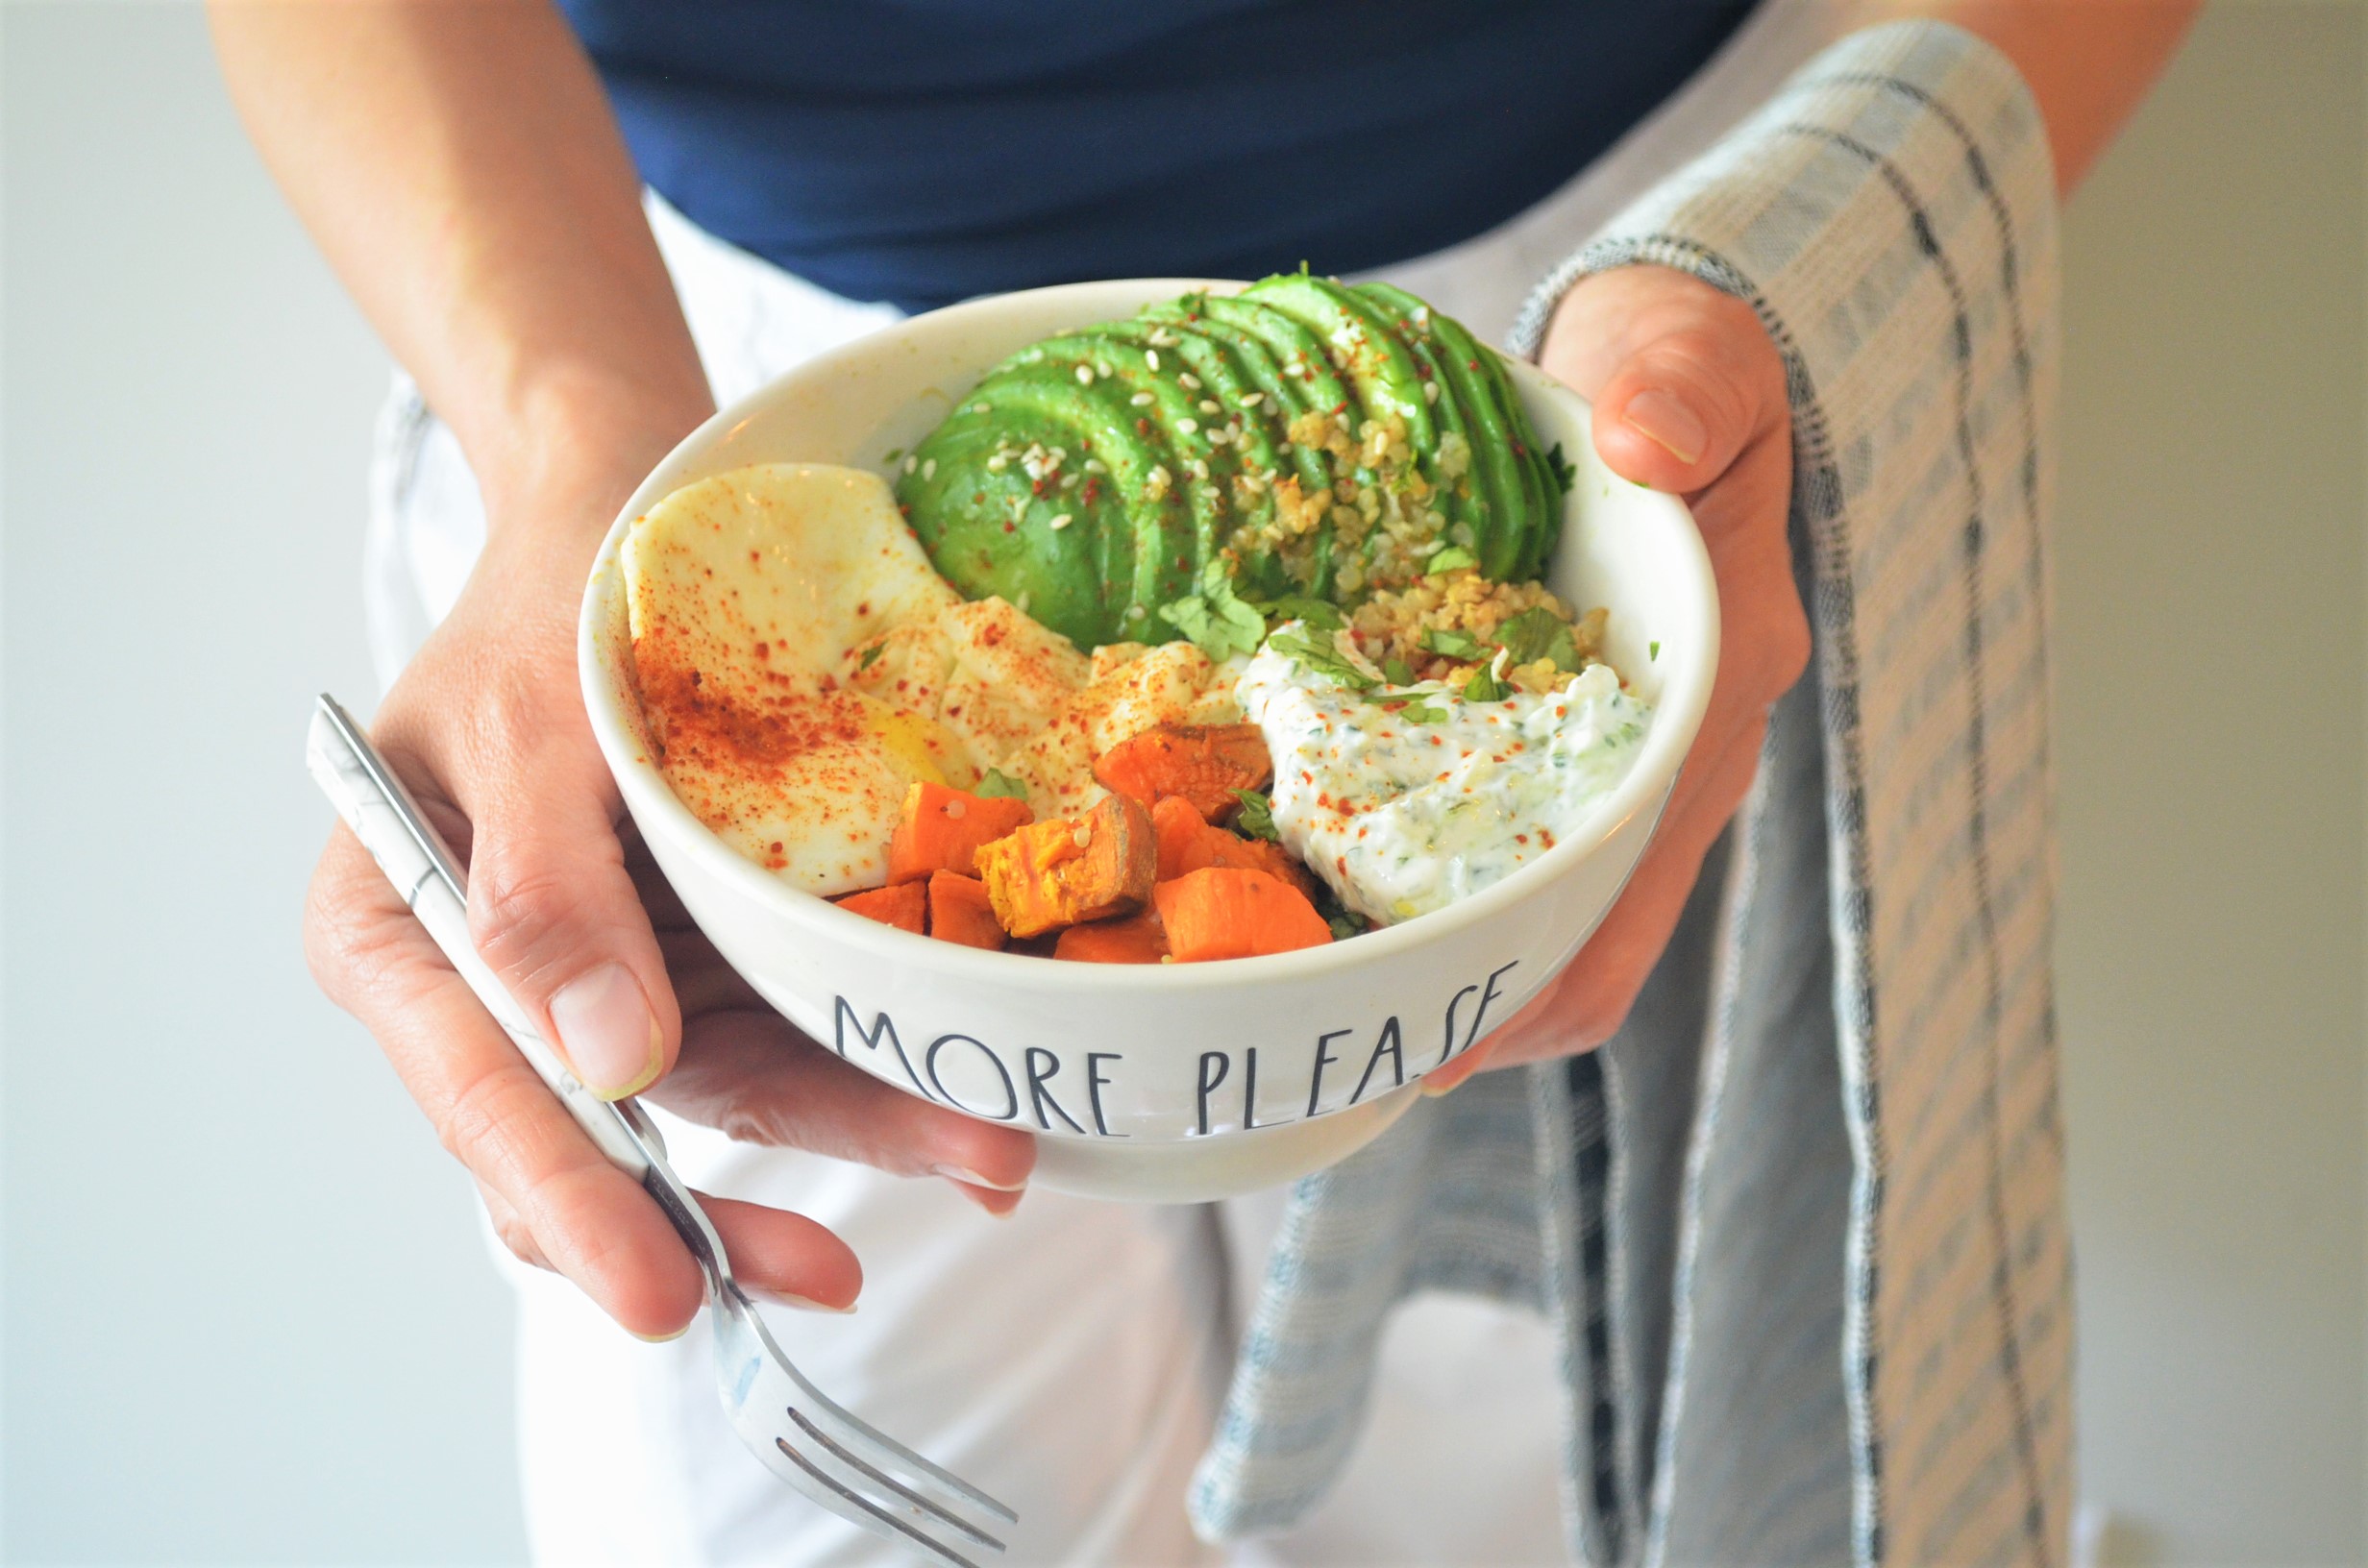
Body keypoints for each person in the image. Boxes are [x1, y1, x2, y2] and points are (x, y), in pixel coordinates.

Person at [214, 2, 2193, 1560]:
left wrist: (1806, 251)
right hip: (668, 360)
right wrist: (576, 439)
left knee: (1542, 1459)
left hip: (1601, 372)